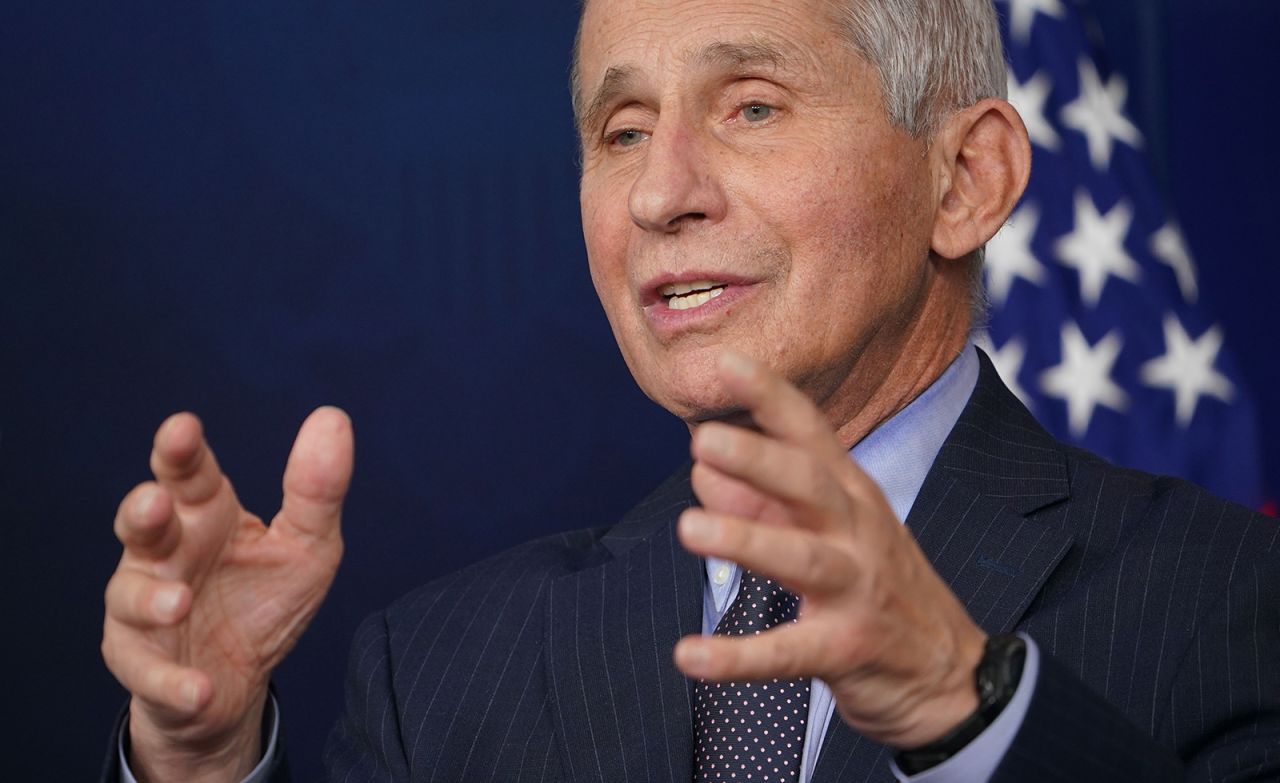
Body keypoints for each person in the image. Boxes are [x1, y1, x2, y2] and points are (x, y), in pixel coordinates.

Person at [101, 0, 1280, 780]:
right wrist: (199, 762)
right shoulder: (439, 668)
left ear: (963, 179)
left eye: (750, 107)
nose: (660, 195)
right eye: (619, 131)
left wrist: (956, 705)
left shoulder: (1232, 600)